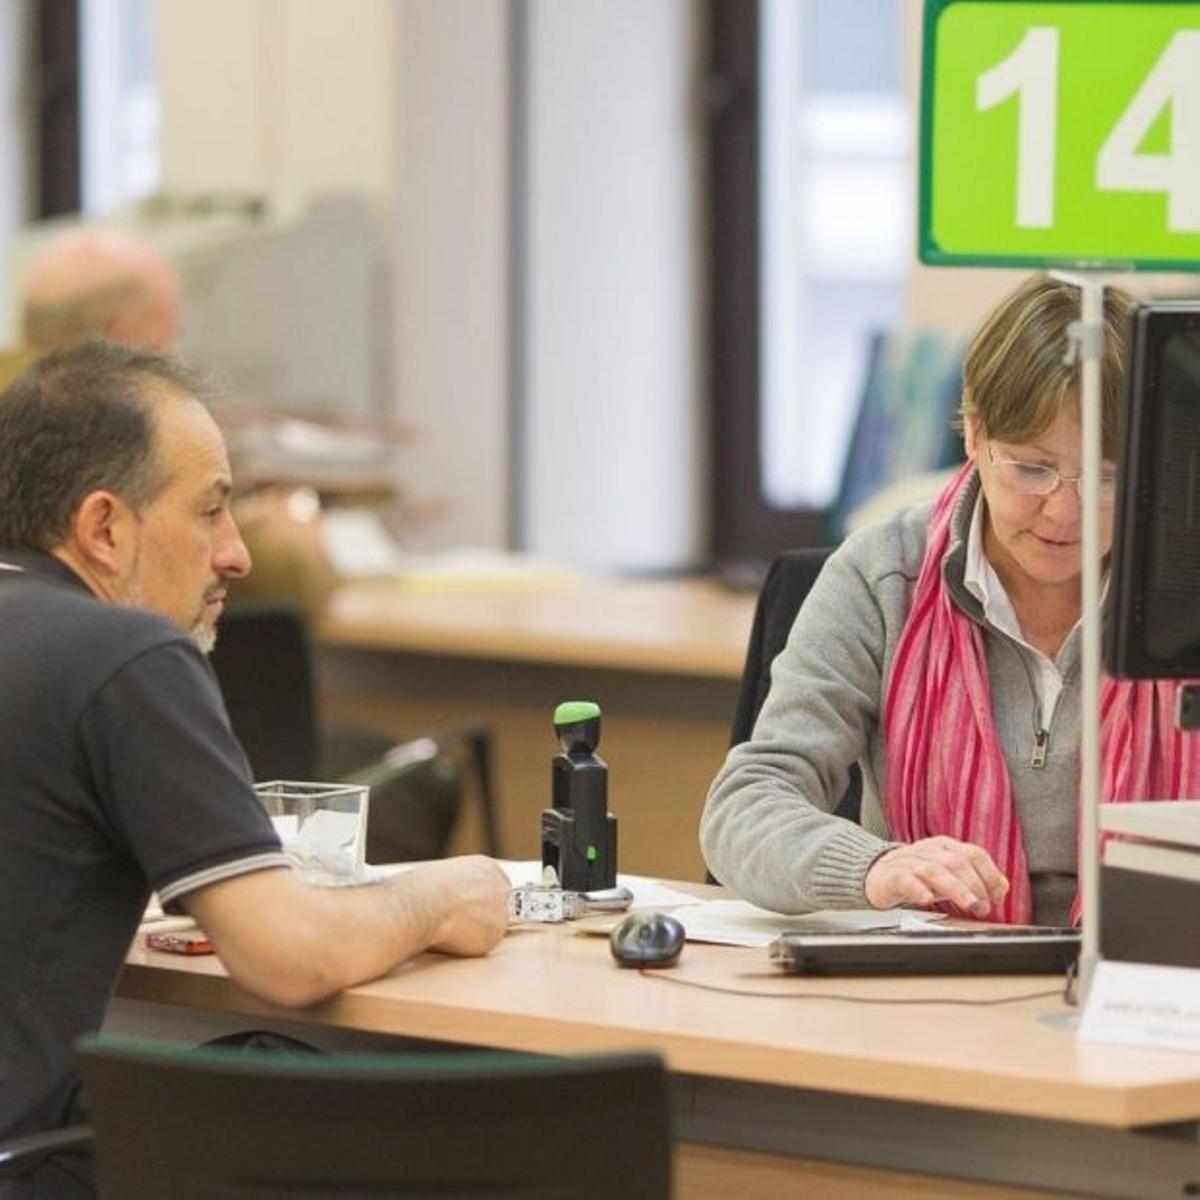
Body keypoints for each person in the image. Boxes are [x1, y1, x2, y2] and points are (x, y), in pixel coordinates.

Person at [0, 340, 510, 1198]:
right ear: (103, 527)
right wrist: (446, 893)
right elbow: (290, 957)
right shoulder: (126, 658)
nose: (236, 554)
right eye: (210, 512)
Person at [702, 274, 1200, 927]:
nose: (1064, 510)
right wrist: (872, 866)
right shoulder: (886, 574)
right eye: (1031, 467)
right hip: (935, 978)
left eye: (1106, 478)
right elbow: (747, 805)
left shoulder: (1183, 585)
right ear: (973, 433)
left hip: (1156, 981)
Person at [16, 226, 340, 620]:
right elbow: (295, 574)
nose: (172, 356)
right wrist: (290, 533)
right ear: (123, 338)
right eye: (168, 334)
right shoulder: (146, 440)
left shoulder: (19, 430)